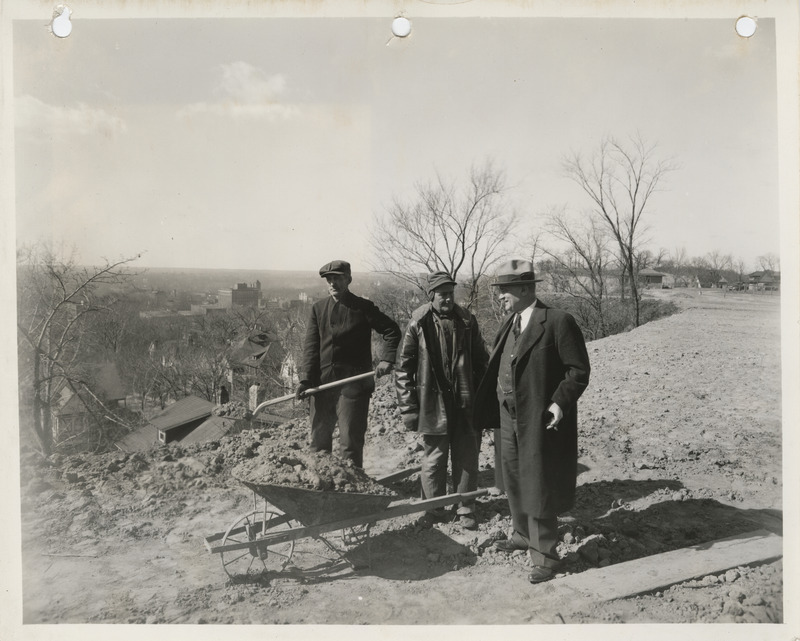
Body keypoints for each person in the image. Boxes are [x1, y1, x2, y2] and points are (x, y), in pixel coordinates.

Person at [474, 259, 590, 583]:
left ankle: (545, 557)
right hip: (507, 419)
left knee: (538, 482)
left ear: (525, 289)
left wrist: (559, 403)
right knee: (512, 478)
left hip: (538, 420)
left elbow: (578, 371)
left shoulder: (557, 322)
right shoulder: (508, 324)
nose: (500, 296)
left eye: (505, 290)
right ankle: (521, 534)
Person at [395, 271, 489, 530]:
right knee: (435, 457)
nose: (447, 298)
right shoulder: (418, 322)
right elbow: (403, 369)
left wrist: (485, 400)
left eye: (450, 293)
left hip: (465, 400)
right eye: (442, 294)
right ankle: (433, 509)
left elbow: (482, 361)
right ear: (431, 295)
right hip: (433, 402)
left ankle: (466, 507)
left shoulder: (467, 320)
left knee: (467, 455)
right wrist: (409, 408)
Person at [297, 260, 401, 468]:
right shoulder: (318, 309)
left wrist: (387, 359)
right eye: (329, 279)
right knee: (318, 442)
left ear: (349, 280)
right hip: (322, 386)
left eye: (338, 278)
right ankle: (321, 490)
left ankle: (352, 492)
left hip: (353, 387)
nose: (333, 283)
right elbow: (311, 348)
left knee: (350, 443)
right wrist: (306, 380)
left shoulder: (363, 308)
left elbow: (391, 331)